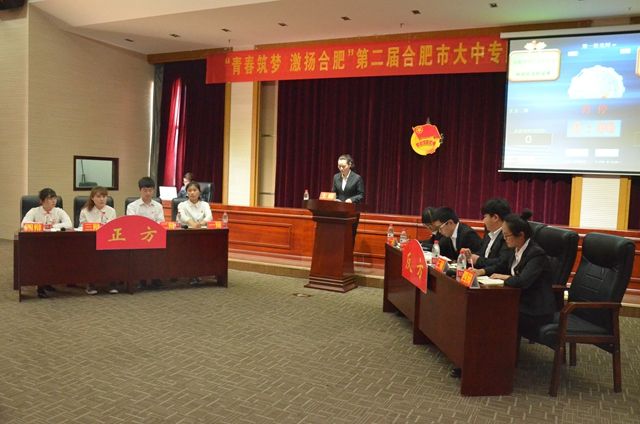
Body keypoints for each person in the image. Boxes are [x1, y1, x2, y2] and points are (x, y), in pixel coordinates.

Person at [490, 210, 555, 336]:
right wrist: (481, 271)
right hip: (519, 301)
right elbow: (500, 266)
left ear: (520, 235)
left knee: (496, 311)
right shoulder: (515, 249)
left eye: (507, 235)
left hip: (535, 310)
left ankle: (502, 348)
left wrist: (504, 277)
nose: (504, 239)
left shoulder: (536, 254)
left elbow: (522, 281)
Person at [21, 187, 73, 298]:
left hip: (56, 244)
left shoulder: (59, 211)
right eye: (50, 198)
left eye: (54, 198)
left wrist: (53, 226)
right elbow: (24, 224)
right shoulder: (34, 211)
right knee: (42, 256)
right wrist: (41, 226)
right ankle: (41, 286)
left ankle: (48, 281)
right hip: (37, 244)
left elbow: (69, 224)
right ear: (42, 201)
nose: (53, 201)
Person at [79, 186, 119, 295]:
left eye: (104, 196)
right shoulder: (85, 211)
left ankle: (112, 284)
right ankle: (90, 284)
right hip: (91, 242)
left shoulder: (111, 211)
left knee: (114, 256)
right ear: (92, 198)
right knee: (91, 256)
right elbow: (82, 227)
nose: (102, 199)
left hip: (108, 241)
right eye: (99, 196)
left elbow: (113, 227)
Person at [466, 198, 511, 276]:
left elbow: (502, 263)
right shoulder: (489, 234)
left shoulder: (507, 236)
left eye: (485, 217)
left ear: (495, 218)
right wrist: (469, 255)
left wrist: (479, 261)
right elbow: (482, 254)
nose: (483, 220)